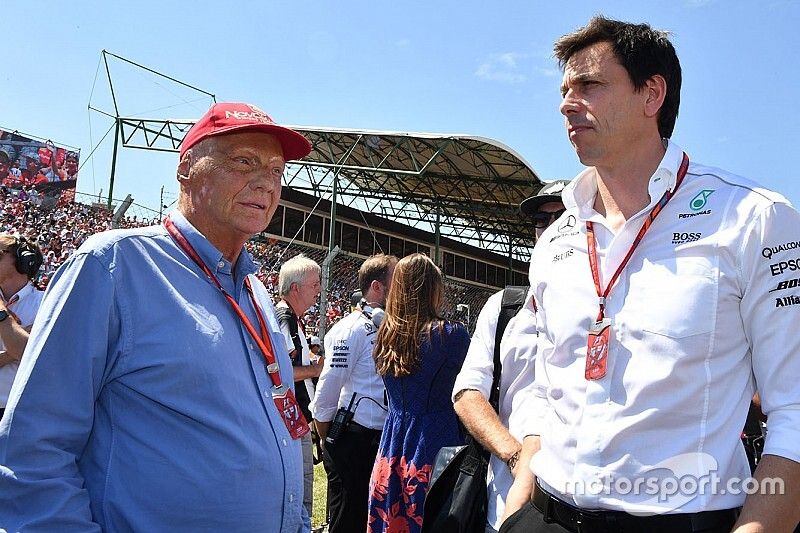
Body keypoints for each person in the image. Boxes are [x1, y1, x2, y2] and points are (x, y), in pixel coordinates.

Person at [502, 16, 800, 533]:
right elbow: (544, 391)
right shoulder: (555, 240)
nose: (567, 104)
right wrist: (516, 510)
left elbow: (794, 410)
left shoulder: (754, 218)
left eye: (589, 85)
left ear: (652, 94)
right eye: (564, 90)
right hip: (544, 514)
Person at [0, 102, 315, 531]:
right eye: (245, 161)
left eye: (277, 170)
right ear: (186, 168)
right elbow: (34, 449)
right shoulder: (113, 266)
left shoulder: (256, 293)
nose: (266, 181)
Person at [452, 181, 568, 533]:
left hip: (578, 506)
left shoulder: (609, 307)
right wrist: (518, 458)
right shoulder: (505, 308)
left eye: (562, 217)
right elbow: (467, 393)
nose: (550, 228)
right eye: (541, 221)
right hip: (504, 503)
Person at [368, 253, 470, 532]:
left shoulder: (385, 336)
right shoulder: (450, 336)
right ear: (433, 289)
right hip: (435, 442)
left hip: (392, 444)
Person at [310, 253, 397, 533]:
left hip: (381, 441)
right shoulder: (349, 330)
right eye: (396, 283)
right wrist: (327, 439)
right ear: (376, 288)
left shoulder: (390, 327)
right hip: (352, 440)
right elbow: (326, 393)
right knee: (348, 518)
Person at [276, 253, 325, 518]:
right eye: (314, 284)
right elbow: (279, 370)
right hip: (292, 418)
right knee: (302, 485)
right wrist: (316, 369)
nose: (319, 289)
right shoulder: (285, 316)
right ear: (296, 288)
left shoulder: (291, 317)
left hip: (297, 417)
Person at [0, 234, 44, 420]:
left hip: (17, 413)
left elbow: (27, 352)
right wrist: (26, 339)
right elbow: (24, 350)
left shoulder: (47, 304)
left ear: (24, 260)